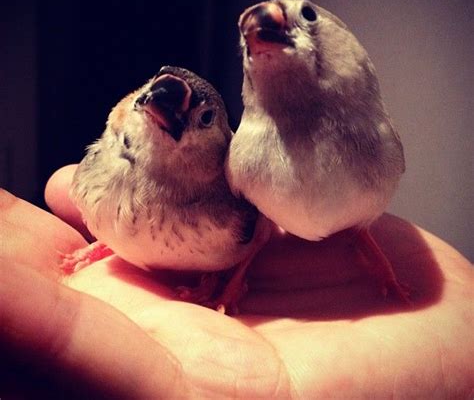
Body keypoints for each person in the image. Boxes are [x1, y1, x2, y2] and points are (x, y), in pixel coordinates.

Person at [1, 165, 473, 398]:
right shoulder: (101, 176)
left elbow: (258, 234)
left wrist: (228, 284)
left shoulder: (231, 208)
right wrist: (103, 245)